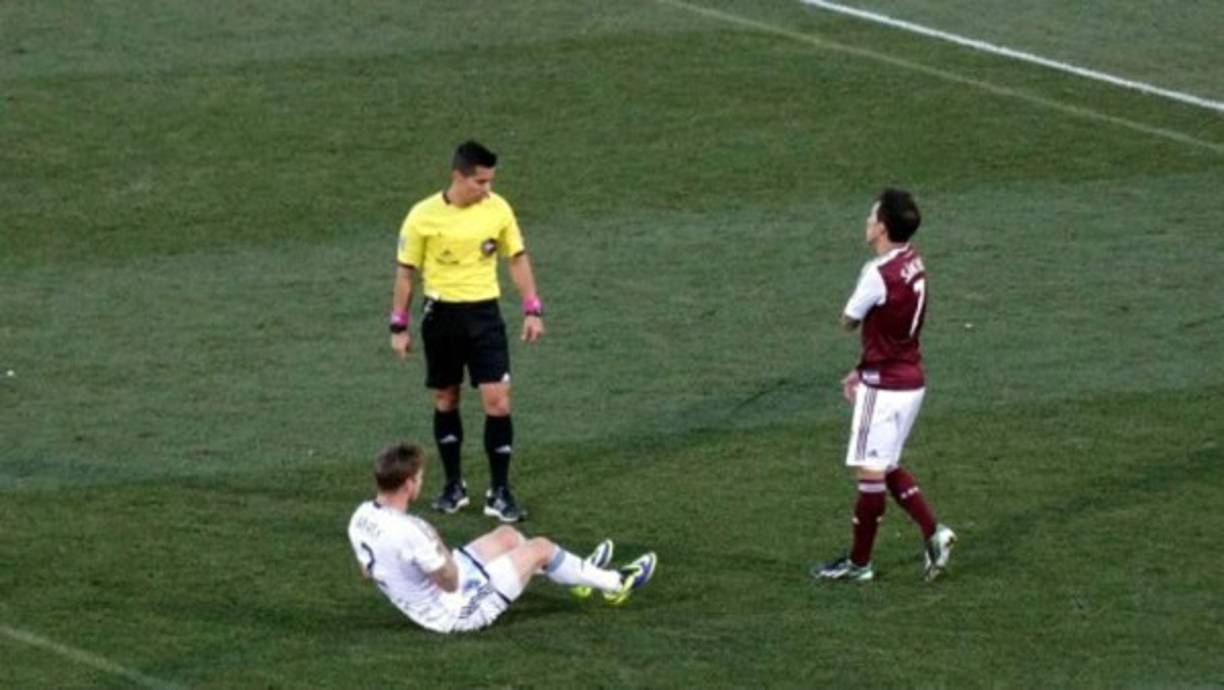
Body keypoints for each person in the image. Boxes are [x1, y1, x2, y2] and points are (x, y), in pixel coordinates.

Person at [388, 140, 544, 523]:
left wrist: (532, 308)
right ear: (458, 176)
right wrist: (399, 324)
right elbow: (406, 274)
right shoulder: (422, 216)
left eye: (490, 181)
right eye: (480, 182)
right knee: (446, 397)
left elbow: (517, 258)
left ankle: (500, 491)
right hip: (441, 315)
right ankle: (453, 485)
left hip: (484, 316)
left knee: (498, 401)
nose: (487, 189)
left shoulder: (498, 209)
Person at [347, 443, 657, 633]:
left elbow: (367, 571)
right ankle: (617, 583)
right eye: (419, 478)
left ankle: (581, 577)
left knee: (507, 536)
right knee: (540, 548)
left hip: (431, 591)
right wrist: (436, 542)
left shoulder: (361, 516)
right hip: (454, 612)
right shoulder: (412, 531)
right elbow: (451, 582)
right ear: (406, 483)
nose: (421, 482)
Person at [812, 188, 956, 583]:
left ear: (882, 227)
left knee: (869, 472)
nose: (866, 222)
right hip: (910, 379)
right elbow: (893, 330)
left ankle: (859, 564)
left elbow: (847, 320)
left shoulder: (877, 273)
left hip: (886, 387)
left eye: (871, 216)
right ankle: (934, 533)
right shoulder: (914, 261)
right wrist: (864, 366)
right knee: (886, 463)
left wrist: (868, 365)